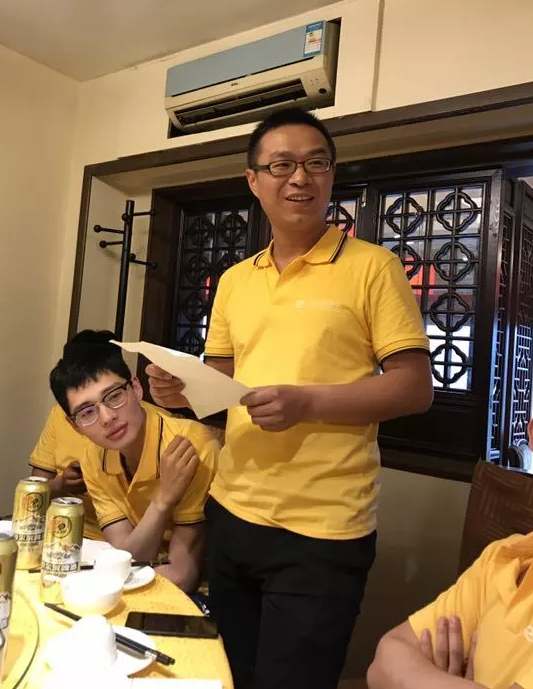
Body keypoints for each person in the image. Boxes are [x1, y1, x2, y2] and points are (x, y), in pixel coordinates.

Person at [148, 107, 433, 688]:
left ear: (331, 176)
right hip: (232, 509)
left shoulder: (373, 267)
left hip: (324, 529)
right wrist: (180, 390)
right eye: (281, 165)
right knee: (230, 672)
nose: (299, 177)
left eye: (315, 163)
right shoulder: (235, 280)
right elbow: (220, 386)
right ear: (254, 181)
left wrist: (307, 403)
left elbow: (414, 387)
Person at [50, 330, 218, 591]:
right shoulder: (93, 457)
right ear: (75, 426)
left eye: (114, 396)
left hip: (192, 594)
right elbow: (126, 558)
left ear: (137, 389)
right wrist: (163, 500)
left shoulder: (190, 445)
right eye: (87, 412)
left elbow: (183, 574)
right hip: (136, 576)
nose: (107, 418)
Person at [30, 404, 104, 540]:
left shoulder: (118, 417)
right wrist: (62, 484)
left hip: (114, 539)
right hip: (61, 530)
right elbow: (35, 493)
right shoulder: (60, 412)